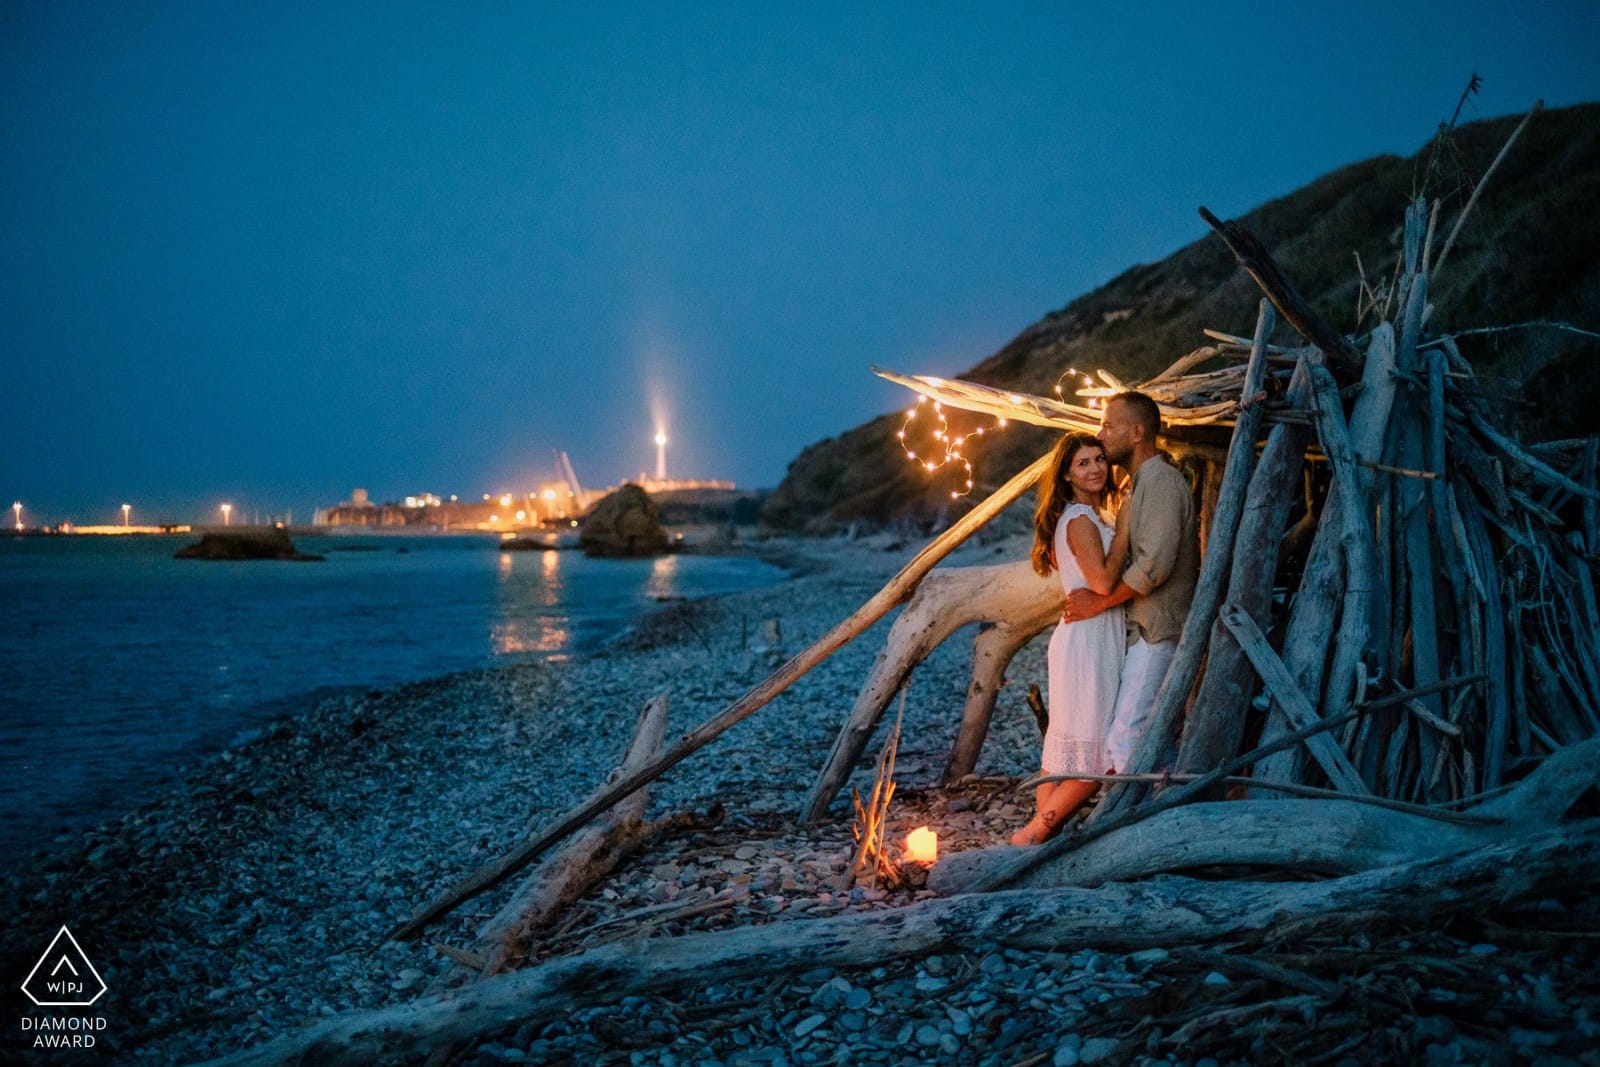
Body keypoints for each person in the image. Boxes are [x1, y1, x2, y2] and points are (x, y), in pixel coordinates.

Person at [1061, 391, 1200, 780]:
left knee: (1124, 737)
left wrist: (1099, 604)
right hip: (1145, 628)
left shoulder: (1160, 482)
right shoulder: (1138, 486)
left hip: (1157, 628)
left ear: (1137, 432)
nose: (1102, 434)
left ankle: (1132, 824)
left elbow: (1153, 568)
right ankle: (1176, 812)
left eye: (1109, 425)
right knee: (1152, 736)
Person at [1010, 432, 1129, 846]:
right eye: (1083, 463)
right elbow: (1102, 581)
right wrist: (1127, 529)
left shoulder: (1079, 518)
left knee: (1064, 751)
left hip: (1081, 639)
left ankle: (1042, 834)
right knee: (1098, 757)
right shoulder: (1080, 519)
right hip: (1089, 642)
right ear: (1066, 473)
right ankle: (1030, 836)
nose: (1096, 468)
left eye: (1100, 459)